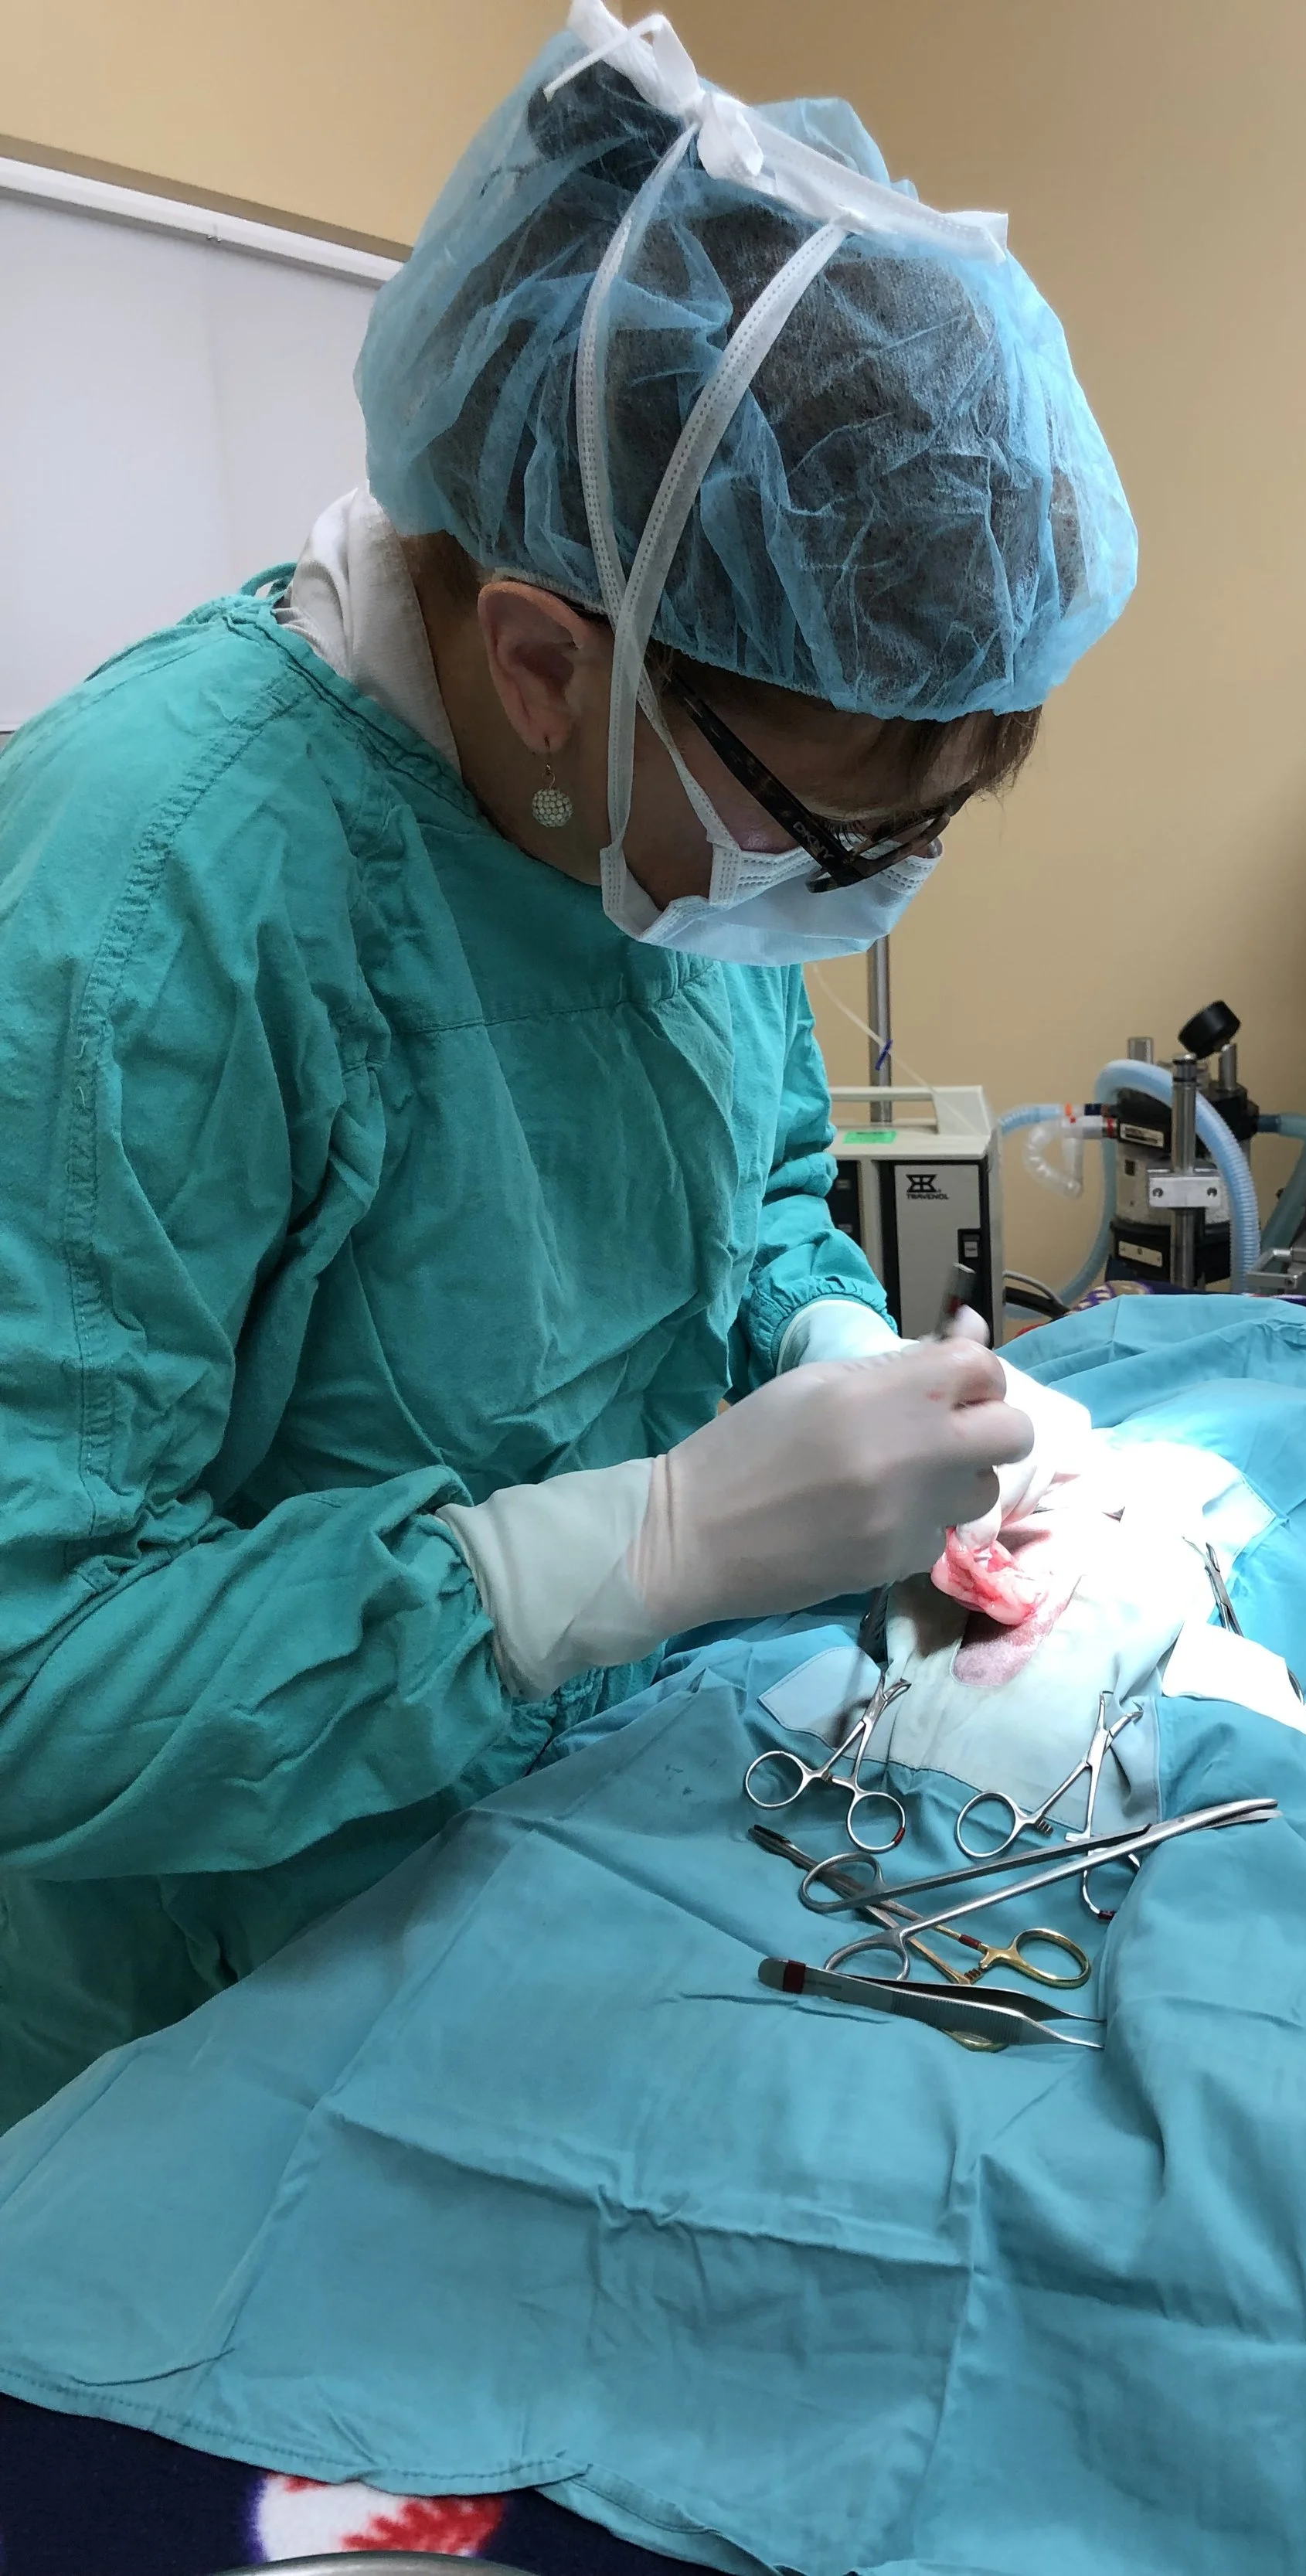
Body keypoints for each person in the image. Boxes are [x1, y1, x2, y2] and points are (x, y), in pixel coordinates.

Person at [0, 2, 1135, 2129]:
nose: (849, 895)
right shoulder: (143, 900)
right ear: (545, 657)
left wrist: (818, 1337)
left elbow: (755, 1172)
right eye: (834, 834)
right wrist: (617, 1552)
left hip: (547, 1872)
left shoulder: (652, 839)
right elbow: (30, 1679)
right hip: (198, 2019)